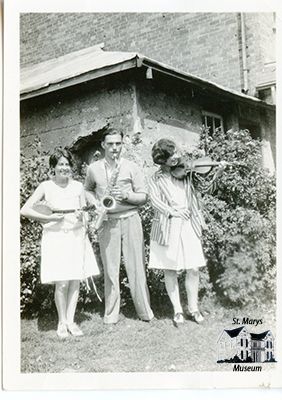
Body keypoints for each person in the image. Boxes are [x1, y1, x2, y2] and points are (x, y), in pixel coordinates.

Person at [20, 148, 100, 338]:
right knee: (62, 283)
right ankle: (61, 322)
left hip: (76, 237)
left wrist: (84, 216)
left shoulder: (78, 187)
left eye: (67, 164)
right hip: (56, 238)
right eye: (60, 164)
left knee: (75, 281)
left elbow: (85, 214)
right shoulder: (46, 186)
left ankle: (71, 322)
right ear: (53, 168)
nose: (64, 168)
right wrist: (48, 219)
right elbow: (25, 210)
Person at [85, 129, 154, 324]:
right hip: (107, 221)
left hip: (131, 219)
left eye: (118, 144)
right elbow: (87, 189)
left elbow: (144, 196)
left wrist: (127, 195)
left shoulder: (132, 167)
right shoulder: (93, 169)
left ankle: (144, 312)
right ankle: (111, 314)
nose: (115, 148)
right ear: (103, 145)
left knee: (136, 267)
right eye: (110, 144)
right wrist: (96, 203)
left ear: (122, 144)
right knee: (110, 268)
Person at [148, 138, 215, 327]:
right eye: (172, 156)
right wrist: (174, 212)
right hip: (168, 225)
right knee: (170, 269)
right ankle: (177, 310)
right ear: (163, 160)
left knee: (193, 268)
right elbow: (155, 201)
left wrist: (217, 171)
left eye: (177, 152)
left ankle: (193, 308)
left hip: (189, 224)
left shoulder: (187, 172)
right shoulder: (154, 179)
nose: (177, 156)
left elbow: (205, 188)